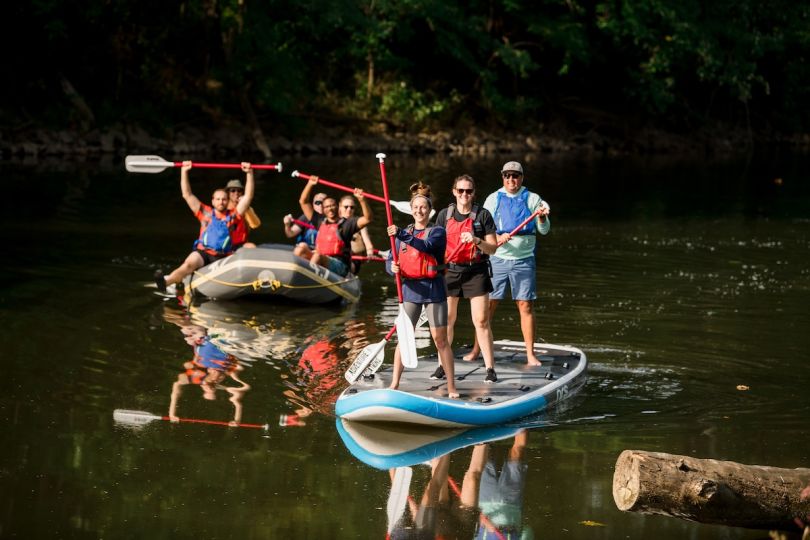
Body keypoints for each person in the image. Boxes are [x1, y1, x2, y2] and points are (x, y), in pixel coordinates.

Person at [467, 161, 550, 365]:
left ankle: (530, 355)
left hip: (523, 260)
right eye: (507, 176)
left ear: (521, 177)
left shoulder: (532, 199)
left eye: (515, 176)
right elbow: (480, 228)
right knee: (488, 306)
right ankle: (477, 350)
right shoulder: (494, 199)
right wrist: (496, 236)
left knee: (525, 305)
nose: (511, 180)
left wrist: (541, 218)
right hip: (497, 259)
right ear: (502, 177)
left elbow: (545, 230)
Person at [386, 186, 458, 398]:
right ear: (411, 209)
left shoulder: (437, 232)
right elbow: (390, 258)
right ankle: (394, 383)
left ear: (430, 210)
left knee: (440, 340)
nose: (419, 211)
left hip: (433, 290)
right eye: (416, 207)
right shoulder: (402, 234)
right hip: (410, 290)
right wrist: (392, 267)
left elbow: (425, 246)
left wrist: (399, 233)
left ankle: (452, 386)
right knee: (404, 338)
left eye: (423, 207)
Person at [433, 174, 499, 383]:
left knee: (480, 320)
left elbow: (493, 248)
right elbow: (434, 245)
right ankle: (441, 365)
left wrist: (477, 240)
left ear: (473, 193)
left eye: (468, 191)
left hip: (476, 271)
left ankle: (490, 369)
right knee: (447, 320)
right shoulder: (444, 215)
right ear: (454, 192)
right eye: (460, 190)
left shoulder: (483, 215)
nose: (464, 194)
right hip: (449, 271)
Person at [154, 161, 255, 292]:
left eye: (224, 199)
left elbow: (248, 196)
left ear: (228, 200)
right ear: (213, 201)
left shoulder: (234, 215)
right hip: (204, 253)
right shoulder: (205, 213)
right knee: (189, 263)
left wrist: (249, 173)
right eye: (218, 199)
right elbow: (187, 194)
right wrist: (184, 172)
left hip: (224, 256)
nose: (221, 202)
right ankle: (166, 282)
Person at [293, 176, 372, 277]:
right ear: (323, 209)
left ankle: (307, 280)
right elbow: (303, 202)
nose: (330, 209)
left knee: (318, 256)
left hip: (341, 266)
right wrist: (310, 184)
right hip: (322, 259)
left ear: (337, 207)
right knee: (300, 249)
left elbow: (367, 218)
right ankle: (294, 277)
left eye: (332, 205)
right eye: (327, 206)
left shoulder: (347, 224)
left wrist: (362, 200)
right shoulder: (319, 221)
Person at [338, 194, 375, 274]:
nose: (349, 209)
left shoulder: (360, 224)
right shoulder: (333, 223)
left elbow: (368, 244)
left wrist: (369, 252)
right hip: (336, 257)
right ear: (340, 207)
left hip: (353, 261)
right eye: (346, 207)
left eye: (352, 207)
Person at [225, 178, 261, 249]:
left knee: (252, 247)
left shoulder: (247, 209)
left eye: (239, 190)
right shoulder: (223, 207)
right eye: (233, 190)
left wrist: (246, 207)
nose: (236, 193)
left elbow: (256, 225)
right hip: (224, 243)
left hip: (241, 244)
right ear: (228, 193)